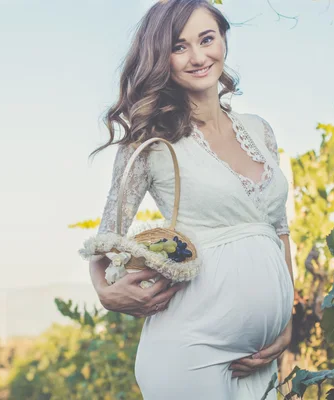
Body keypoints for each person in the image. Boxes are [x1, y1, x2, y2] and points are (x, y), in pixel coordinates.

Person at [85, 0, 295, 398]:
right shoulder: (150, 141)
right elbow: (105, 238)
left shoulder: (260, 131)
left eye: (206, 39)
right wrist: (104, 291)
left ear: (223, 41)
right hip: (189, 350)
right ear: (160, 57)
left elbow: (278, 231)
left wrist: (286, 324)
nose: (198, 57)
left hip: (260, 357)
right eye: (179, 47)